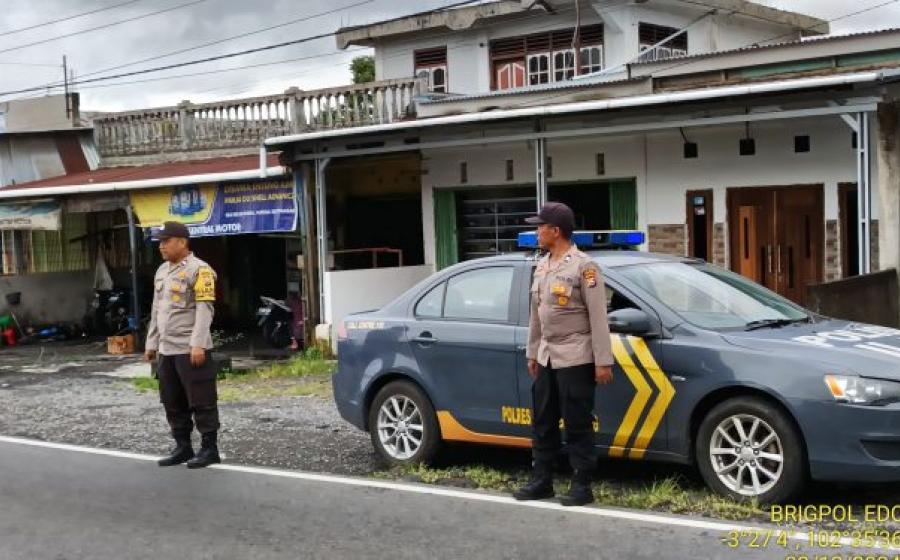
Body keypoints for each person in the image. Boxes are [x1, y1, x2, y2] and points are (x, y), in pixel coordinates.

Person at [513, 202, 615, 506]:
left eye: (540, 227)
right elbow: (536, 314)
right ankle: (542, 480)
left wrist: (603, 361)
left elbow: (598, 317)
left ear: (555, 231)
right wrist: (533, 352)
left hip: (575, 355)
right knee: (543, 420)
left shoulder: (584, 267)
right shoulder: (542, 265)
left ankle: (582, 484)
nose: (536, 232)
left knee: (577, 422)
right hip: (547, 355)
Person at [144, 221, 221, 469]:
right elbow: (156, 309)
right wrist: (151, 343)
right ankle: (183, 447)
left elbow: (205, 309)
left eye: (166, 241)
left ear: (182, 242)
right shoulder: (162, 271)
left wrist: (198, 344)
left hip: (189, 348)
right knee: (172, 400)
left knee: (201, 399)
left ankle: (209, 449)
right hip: (167, 349)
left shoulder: (200, 270)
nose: (161, 246)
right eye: (160, 242)